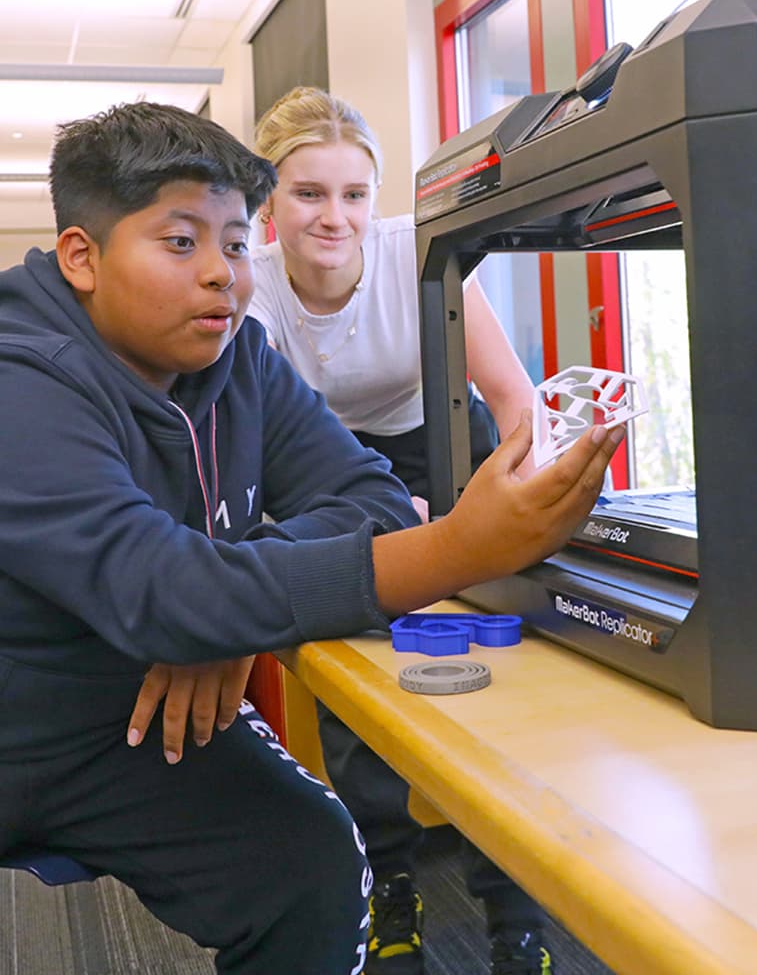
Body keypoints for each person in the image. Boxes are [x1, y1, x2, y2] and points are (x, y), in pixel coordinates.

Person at [0, 102, 622, 975]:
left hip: (136, 727)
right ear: (82, 257)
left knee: (315, 870)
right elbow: (158, 592)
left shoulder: (240, 360)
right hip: (19, 719)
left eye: (230, 242)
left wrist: (223, 612)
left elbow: (367, 495)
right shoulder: (20, 377)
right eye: (181, 243)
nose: (222, 273)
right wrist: (461, 549)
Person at [249, 87, 550, 975]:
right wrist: (388, 526)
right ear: (269, 199)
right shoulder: (249, 288)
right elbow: (267, 445)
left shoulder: (414, 255)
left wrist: (500, 513)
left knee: (497, 665)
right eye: (308, 194)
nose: (333, 217)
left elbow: (512, 399)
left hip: (445, 449)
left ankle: (516, 912)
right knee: (356, 667)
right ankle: (391, 884)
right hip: (321, 468)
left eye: (353, 193)